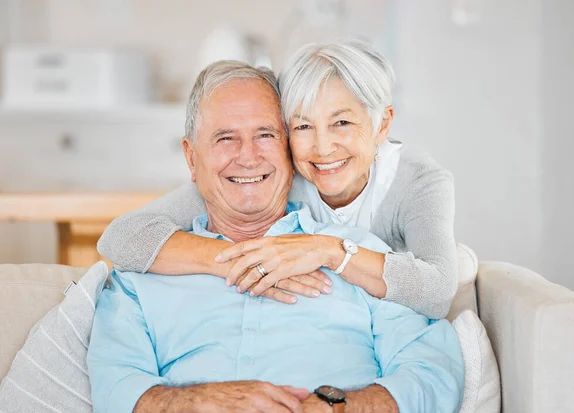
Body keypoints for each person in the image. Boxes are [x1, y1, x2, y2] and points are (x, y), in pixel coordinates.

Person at [87, 61, 464, 413]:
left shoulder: (362, 257)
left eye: (265, 135)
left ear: (289, 149)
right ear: (191, 158)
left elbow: (433, 372)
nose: (248, 157)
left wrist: (337, 406)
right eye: (225, 138)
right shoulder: (140, 277)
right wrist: (201, 401)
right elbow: (115, 386)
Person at [97, 40, 458, 319]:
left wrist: (327, 251)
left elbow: (438, 291)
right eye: (302, 126)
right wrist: (249, 259)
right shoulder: (280, 175)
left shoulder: (418, 182)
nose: (323, 148)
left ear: (381, 125)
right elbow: (122, 237)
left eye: (342, 123)